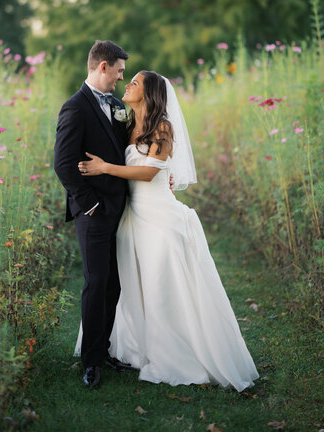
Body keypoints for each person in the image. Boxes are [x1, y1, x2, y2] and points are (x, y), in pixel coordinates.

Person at [77, 70, 259, 391]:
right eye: (128, 80)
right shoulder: (127, 125)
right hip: (131, 217)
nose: (127, 85)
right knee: (136, 285)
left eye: (135, 82)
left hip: (159, 216)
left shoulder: (163, 127)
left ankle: (176, 352)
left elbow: (148, 173)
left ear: (149, 94)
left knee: (162, 285)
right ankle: (136, 346)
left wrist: (105, 168)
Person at [54, 40, 134, 389]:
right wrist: (91, 204)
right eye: (118, 71)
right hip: (93, 211)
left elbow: (127, 151)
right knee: (96, 282)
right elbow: (63, 166)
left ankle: (103, 350)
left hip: (119, 208)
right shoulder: (74, 108)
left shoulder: (116, 105)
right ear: (103, 67)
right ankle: (90, 363)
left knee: (114, 284)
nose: (120, 78)